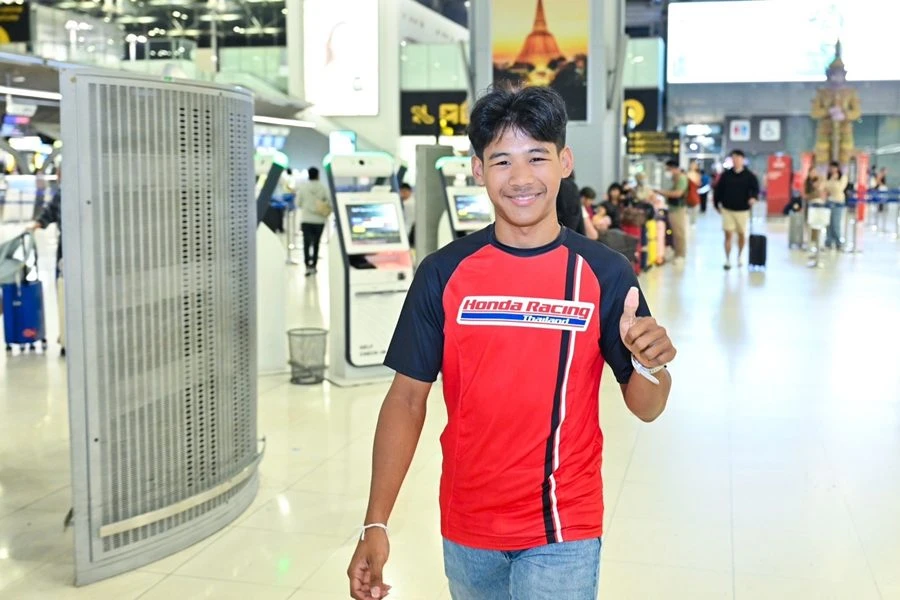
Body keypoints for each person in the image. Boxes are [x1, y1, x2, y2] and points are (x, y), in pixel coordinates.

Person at [346, 85, 676, 600]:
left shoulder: (604, 272)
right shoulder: (444, 273)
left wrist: (649, 364)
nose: (521, 178)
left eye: (537, 157)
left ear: (564, 162)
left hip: (563, 524)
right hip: (467, 525)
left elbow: (647, 407)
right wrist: (376, 522)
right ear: (478, 170)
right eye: (502, 160)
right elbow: (407, 399)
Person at [713, 150, 760, 270]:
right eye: (733, 158)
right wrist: (716, 204)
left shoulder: (749, 176)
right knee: (728, 234)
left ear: (742, 160)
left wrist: (753, 198)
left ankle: (739, 256)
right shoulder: (726, 175)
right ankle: (727, 259)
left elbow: (755, 190)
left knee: (741, 234)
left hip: (742, 210)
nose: (736, 161)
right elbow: (718, 190)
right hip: (727, 209)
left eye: (738, 158)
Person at [654, 159, 689, 267]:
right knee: (674, 232)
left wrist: (661, 192)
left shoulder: (682, 178)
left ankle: (681, 255)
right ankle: (676, 253)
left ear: (673, 168)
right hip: (673, 208)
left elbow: (678, 194)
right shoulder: (675, 178)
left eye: (668, 169)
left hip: (678, 209)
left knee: (679, 233)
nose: (667, 171)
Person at [297, 166, 331, 276]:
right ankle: (314, 266)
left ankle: (307, 265)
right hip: (319, 220)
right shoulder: (323, 187)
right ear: (318, 175)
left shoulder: (303, 187)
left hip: (306, 219)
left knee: (306, 244)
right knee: (316, 243)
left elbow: (298, 203)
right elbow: (330, 202)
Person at [822, 161, 848, 250]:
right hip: (829, 201)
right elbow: (825, 187)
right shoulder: (828, 177)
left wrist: (833, 182)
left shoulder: (843, 177)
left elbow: (839, 189)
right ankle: (828, 241)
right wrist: (832, 181)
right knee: (828, 223)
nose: (832, 169)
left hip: (838, 202)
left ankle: (838, 242)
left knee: (836, 223)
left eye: (834, 167)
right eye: (831, 167)